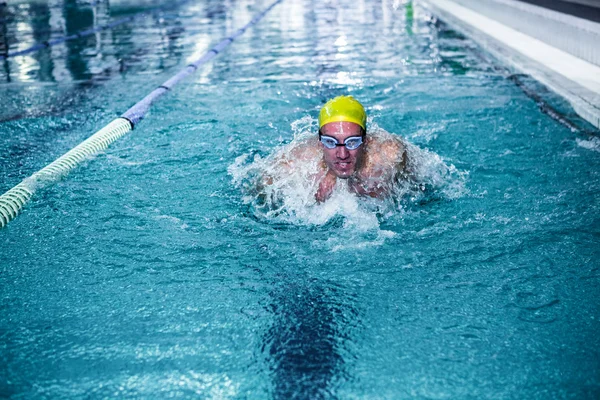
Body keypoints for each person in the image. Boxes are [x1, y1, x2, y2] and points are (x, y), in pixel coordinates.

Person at [258, 95, 409, 204]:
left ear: (365, 140)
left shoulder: (388, 158)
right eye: (330, 142)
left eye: (352, 142)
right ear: (319, 141)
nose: (342, 154)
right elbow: (258, 194)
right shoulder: (295, 166)